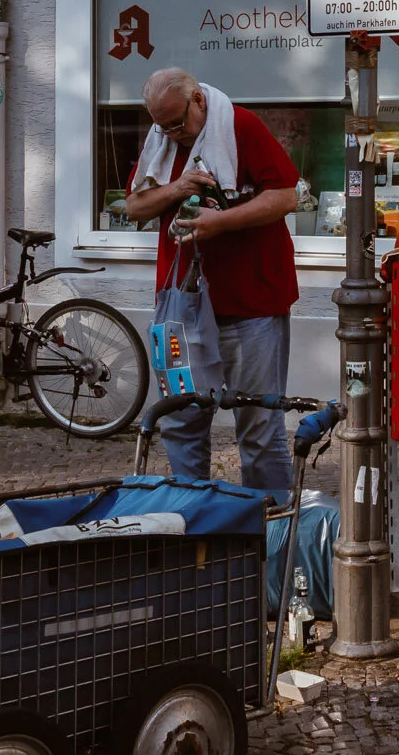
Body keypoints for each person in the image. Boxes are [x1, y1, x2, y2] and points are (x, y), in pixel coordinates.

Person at [125, 67, 300, 492]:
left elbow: (286, 196)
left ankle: (269, 530)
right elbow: (134, 206)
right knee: (181, 422)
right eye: (161, 126)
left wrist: (221, 222)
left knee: (259, 428)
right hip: (181, 307)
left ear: (198, 101)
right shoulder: (161, 142)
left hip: (251, 302)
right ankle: (196, 529)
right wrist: (177, 187)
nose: (170, 134)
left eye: (177, 123)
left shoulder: (241, 125)